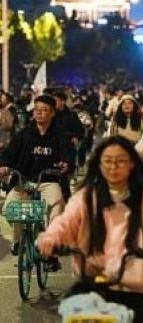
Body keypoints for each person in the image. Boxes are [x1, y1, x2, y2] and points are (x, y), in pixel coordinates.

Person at [37, 136, 143, 323]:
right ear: (99, 165)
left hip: (132, 283)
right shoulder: (87, 196)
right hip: (92, 278)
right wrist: (51, 238)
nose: (113, 167)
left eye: (120, 161)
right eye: (107, 161)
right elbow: (66, 221)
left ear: (132, 164)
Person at [0, 94, 74, 270]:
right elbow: (9, 155)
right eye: (37, 110)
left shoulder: (60, 135)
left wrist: (66, 164)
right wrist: (3, 166)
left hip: (49, 181)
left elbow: (68, 155)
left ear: (52, 113)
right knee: (11, 207)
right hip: (23, 181)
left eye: (44, 110)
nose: (40, 113)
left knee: (56, 208)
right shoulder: (24, 134)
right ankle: (18, 241)